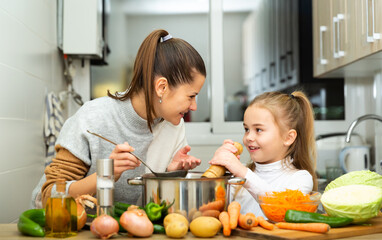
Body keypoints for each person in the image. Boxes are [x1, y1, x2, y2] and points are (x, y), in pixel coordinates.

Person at [31, 29, 206, 208]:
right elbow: (46, 196)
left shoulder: (174, 127)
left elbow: (156, 209)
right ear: (161, 87)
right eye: (191, 96)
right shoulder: (93, 117)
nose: (194, 107)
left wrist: (169, 175)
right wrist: (105, 175)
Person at [209, 91, 317, 217]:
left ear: (288, 138)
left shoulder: (300, 178)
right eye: (246, 129)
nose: (248, 137)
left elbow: (283, 211)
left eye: (258, 130)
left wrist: (242, 173)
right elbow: (210, 206)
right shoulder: (236, 177)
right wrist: (218, 171)